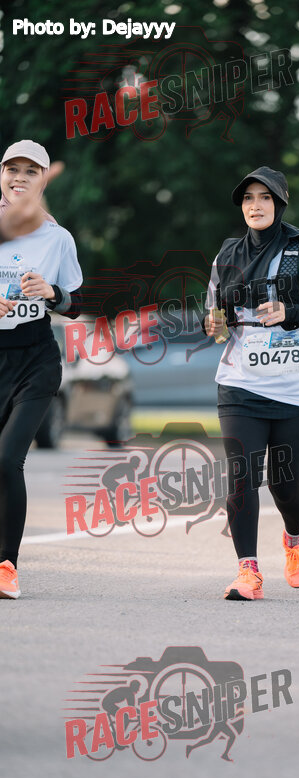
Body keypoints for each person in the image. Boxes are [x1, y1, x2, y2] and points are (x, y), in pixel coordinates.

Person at [204, 166, 299, 601]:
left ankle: (295, 538)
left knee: (285, 485)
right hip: (240, 383)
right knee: (242, 476)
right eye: (248, 198)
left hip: (296, 387)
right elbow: (215, 317)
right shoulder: (227, 255)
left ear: (279, 204)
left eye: (265, 197)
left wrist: (290, 312)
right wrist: (214, 324)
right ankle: (247, 571)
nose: (256, 205)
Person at [0, 140, 82, 599]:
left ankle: (6, 565)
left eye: (31, 171)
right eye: (12, 169)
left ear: (44, 179)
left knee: (7, 459)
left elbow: (76, 302)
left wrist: (52, 293)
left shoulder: (57, 238)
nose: (20, 178)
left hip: (35, 358)